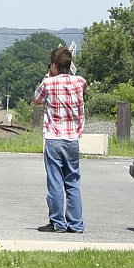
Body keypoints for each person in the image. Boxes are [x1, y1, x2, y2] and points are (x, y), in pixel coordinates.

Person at [33, 47, 88, 233]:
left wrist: (48, 76)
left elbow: (36, 100)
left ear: (54, 65)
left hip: (54, 138)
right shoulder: (80, 82)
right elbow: (83, 95)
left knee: (55, 182)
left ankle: (58, 223)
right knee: (73, 181)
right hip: (73, 140)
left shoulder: (48, 83)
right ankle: (76, 224)